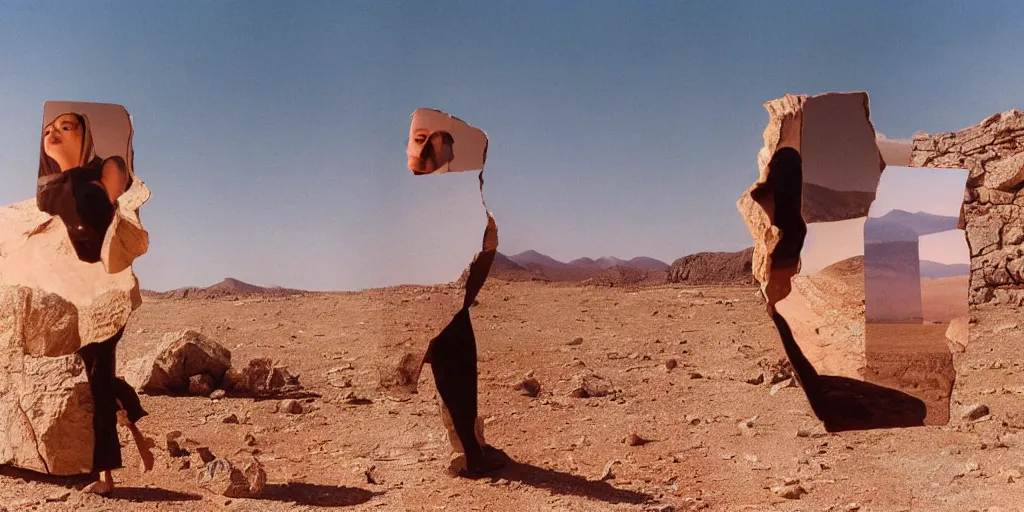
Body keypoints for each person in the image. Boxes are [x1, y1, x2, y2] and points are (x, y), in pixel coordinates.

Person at [34, 111, 153, 496]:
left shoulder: (101, 179)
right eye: (49, 128)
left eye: (65, 126)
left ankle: (106, 475)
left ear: (84, 137)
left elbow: (118, 230)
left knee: (98, 376)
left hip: (103, 295)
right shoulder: (47, 194)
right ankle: (133, 420)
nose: (53, 131)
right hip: (70, 300)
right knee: (95, 373)